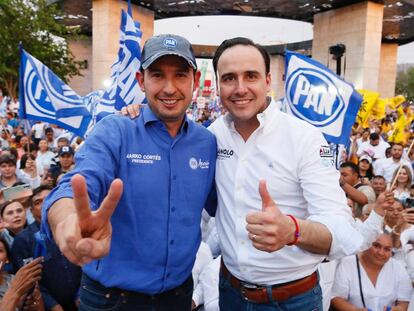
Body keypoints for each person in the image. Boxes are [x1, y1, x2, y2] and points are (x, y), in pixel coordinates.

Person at [42, 34, 217, 310]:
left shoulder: (206, 143)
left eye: (180, 75)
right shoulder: (115, 131)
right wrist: (67, 222)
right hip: (112, 300)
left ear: (194, 81)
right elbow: (77, 185)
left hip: (178, 297)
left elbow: (227, 204)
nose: (169, 88)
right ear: (140, 80)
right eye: (157, 75)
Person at [209, 37, 364, 310]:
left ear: (268, 80)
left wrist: (292, 230)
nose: (240, 88)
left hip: (292, 301)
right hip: (229, 292)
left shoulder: (306, 138)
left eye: (251, 76)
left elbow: (342, 232)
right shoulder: (212, 136)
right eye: (229, 78)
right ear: (218, 84)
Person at [11, 185, 82, 311]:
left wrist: (81, 292)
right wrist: (52, 305)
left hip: (83, 298)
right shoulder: (23, 240)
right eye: (38, 202)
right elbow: (29, 280)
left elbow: (87, 263)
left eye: (50, 198)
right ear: (31, 211)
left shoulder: (74, 226)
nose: (45, 204)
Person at [331, 233, 412, 311]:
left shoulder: (398, 267)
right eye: (376, 246)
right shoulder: (348, 263)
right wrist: (355, 310)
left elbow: (404, 301)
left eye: (387, 249)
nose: (381, 253)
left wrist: (397, 309)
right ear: (367, 245)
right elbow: (336, 297)